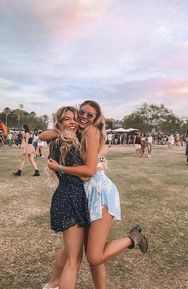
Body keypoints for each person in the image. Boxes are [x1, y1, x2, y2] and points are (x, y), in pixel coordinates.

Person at [41, 101, 148, 289]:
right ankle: (52, 284)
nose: (82, 118)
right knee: (79, 252)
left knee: (93, 256)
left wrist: (60, 168)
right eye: (80, 113)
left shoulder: (90, 131)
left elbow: (89, 170)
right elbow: (44, 134)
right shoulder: (74, 135)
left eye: (89, 115)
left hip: (99, 194)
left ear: (95, 118)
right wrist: (60, 131)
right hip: (82, 196)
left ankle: (132, 238)